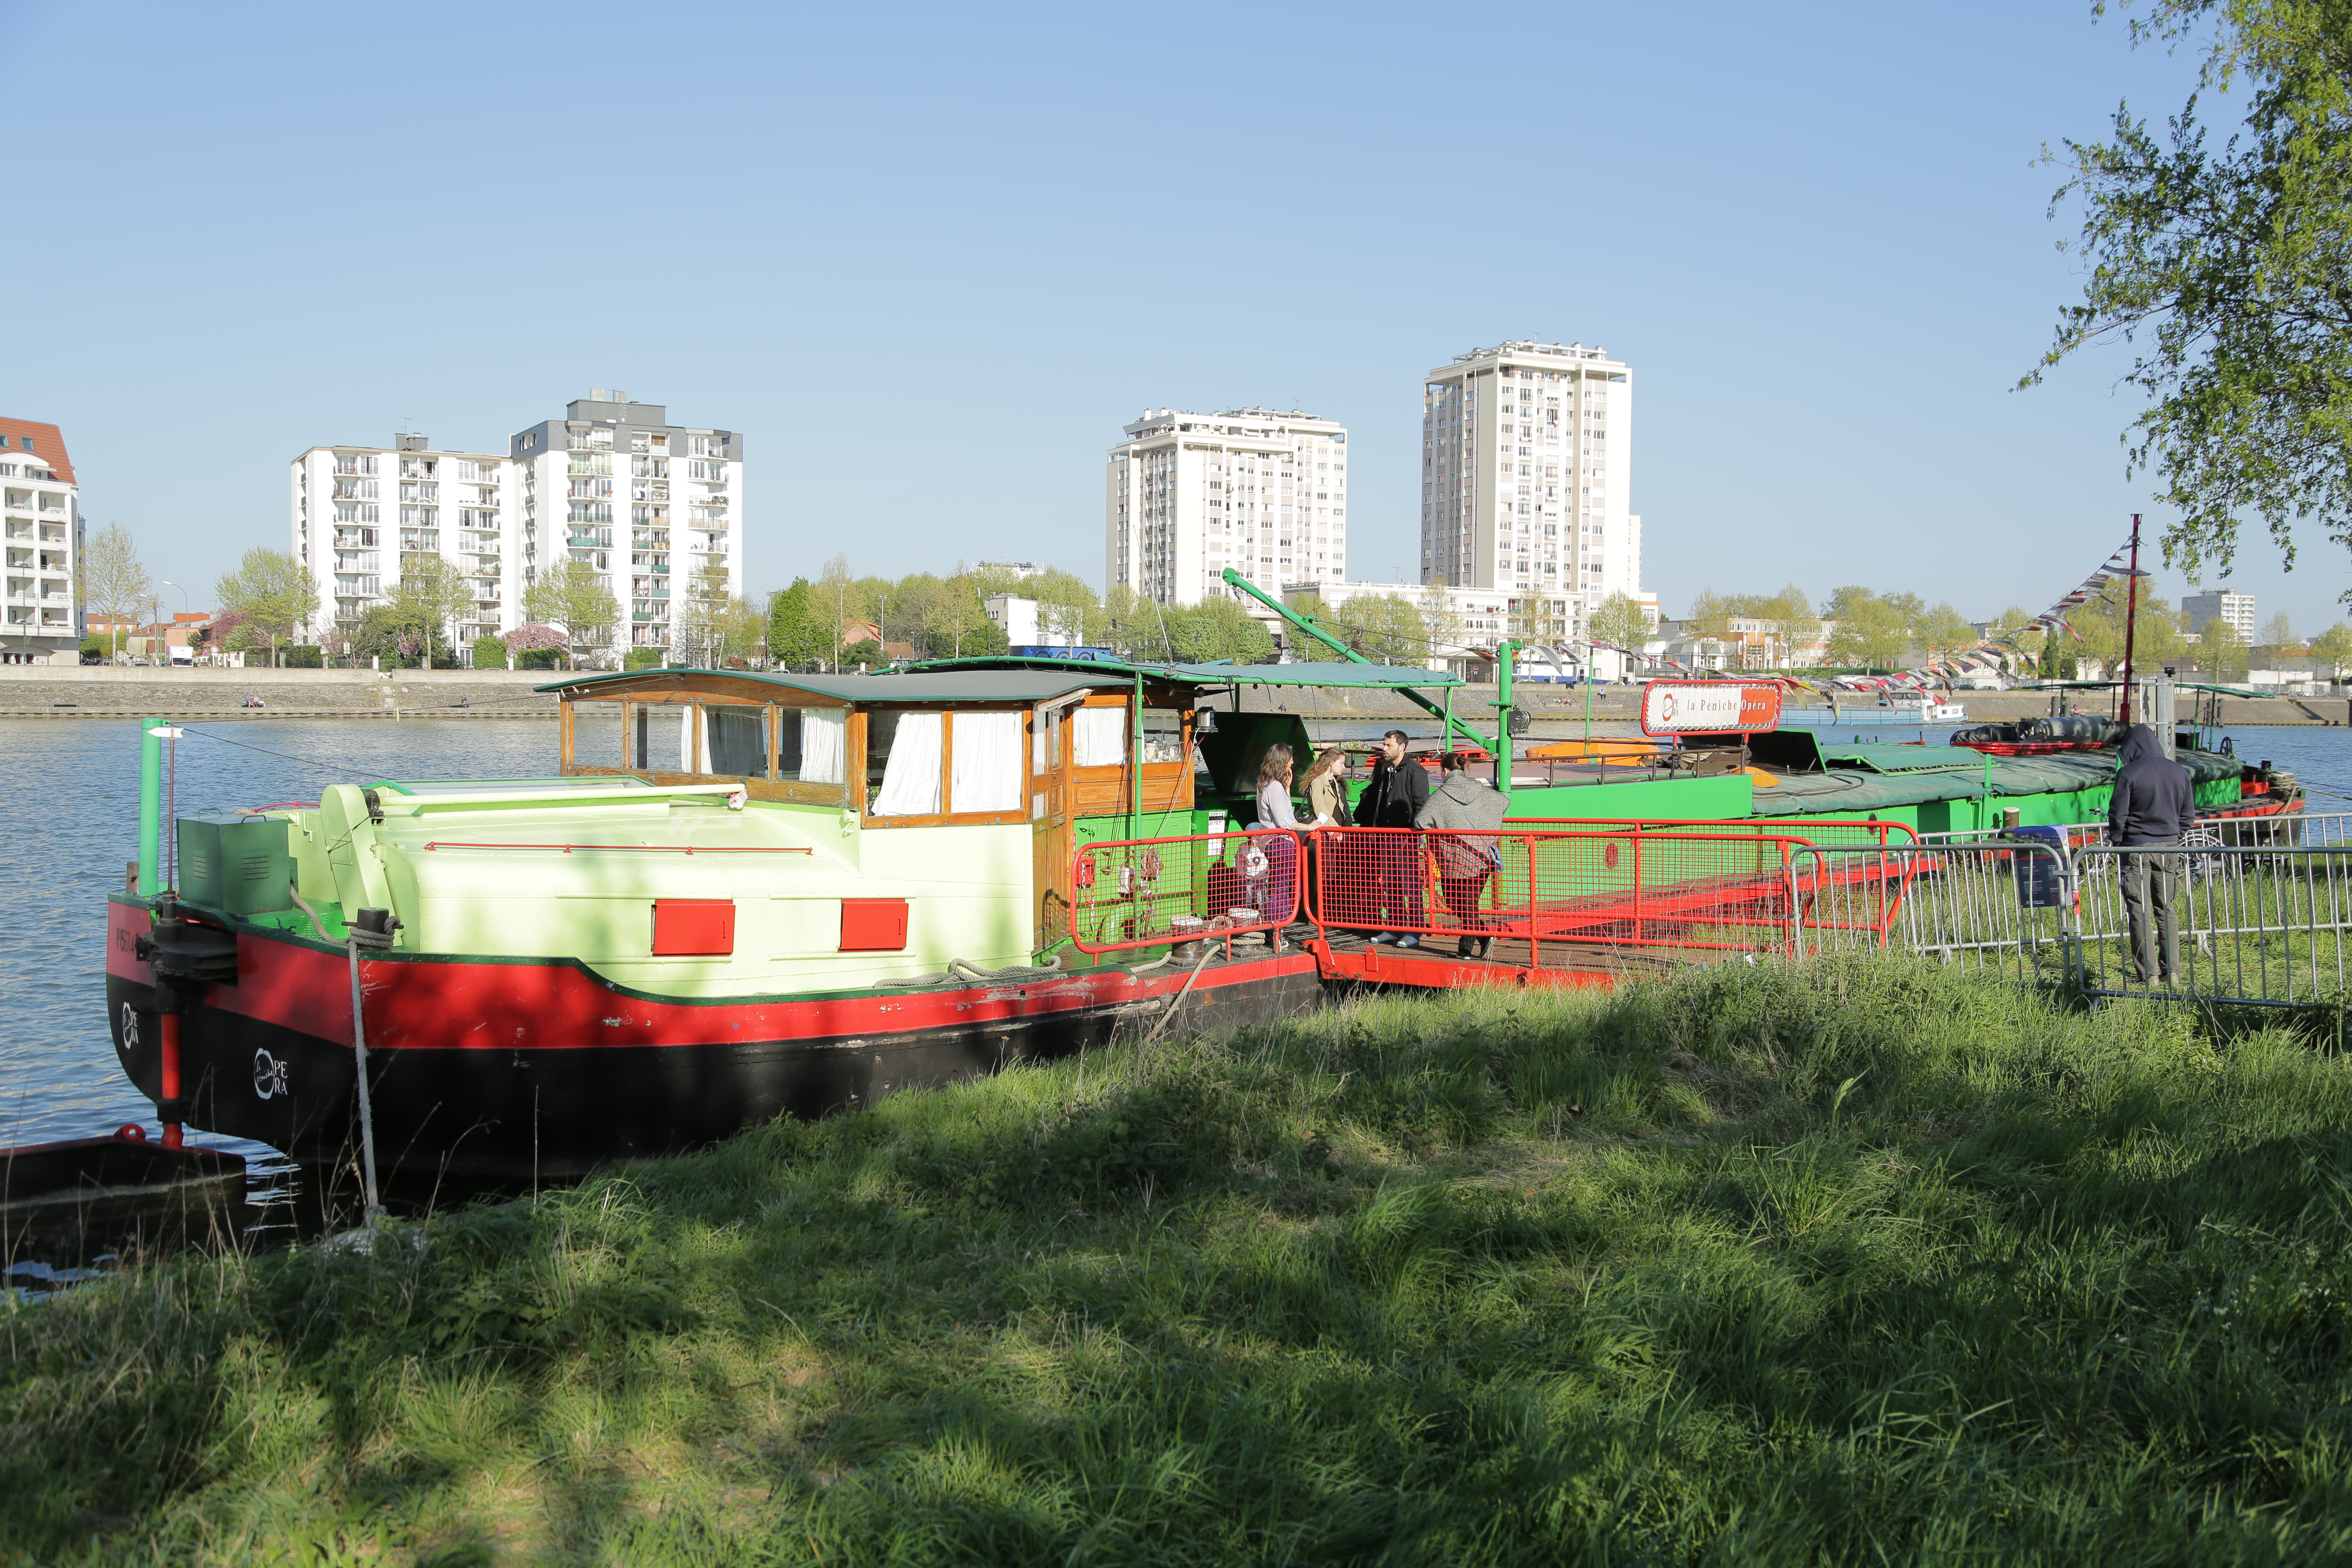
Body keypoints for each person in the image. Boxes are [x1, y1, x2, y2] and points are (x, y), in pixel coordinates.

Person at [2109, 722, 2193, 986]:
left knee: (2140, 910)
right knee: (2167, 909)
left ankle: (2149, 976)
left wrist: (2118, 842)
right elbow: (2188, 817)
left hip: (2136, 849)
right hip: (2170, 849)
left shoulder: (2129, 774)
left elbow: (2118, 815)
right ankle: (2174, 973)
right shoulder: (2180, 772)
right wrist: (2173, 836)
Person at [1416, 751, 1510, 958]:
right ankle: (1475, 942)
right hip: (1483, 857)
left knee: (1455, 900)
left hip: (1455, 861)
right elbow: (1503, 802)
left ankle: (1472, 945)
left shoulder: (1440, 796)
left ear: (1445, 771)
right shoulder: (1482, 790)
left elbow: (1420, 822)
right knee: (1469, 903)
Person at [1358, 728, 1430, 948]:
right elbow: (1381, 802)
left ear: (1402, 746)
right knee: (1391, 884)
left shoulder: (1415, 771)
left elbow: (1421, 804)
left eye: (1388, 745)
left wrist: (1414, 832)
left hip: (1405, 838)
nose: (1384, 748)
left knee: (1410, 885)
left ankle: (1414, 931)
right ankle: (1393, 927)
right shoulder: (1387, 771)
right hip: (1384, 836)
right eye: (1384, 744)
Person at [1248, 748, 1304, 950]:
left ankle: (1275, 928)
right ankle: (1276, 929)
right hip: (1281, 842)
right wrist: (1310, 826)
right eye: (1290, 761)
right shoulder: (1274, 787)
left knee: (1282, 887)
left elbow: (1282, 812)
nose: (1292, 764)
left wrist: (1288, 788)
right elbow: (1285, 821)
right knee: (1284, 889)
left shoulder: (1267, 784)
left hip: (1272, 841)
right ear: (1282, 763)